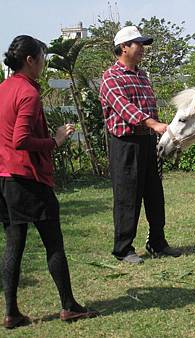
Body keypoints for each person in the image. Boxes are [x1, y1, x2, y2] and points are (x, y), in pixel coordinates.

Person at [0, 35, 98, 329]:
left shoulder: (4, 88)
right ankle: (69, 306)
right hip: (28, 179)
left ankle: (11, 313)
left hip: (4, 178)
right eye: (42, 56)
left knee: (13, 246)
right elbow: (21, 139)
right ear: (30, 60)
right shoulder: (28, 93)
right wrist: (55, 140)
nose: (44, 62)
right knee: (53, 243)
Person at [99, 26, 180, 264]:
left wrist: (154, 128)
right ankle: (123, 248)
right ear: (124, 47)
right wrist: (153, 123)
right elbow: (125, 108)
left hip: (147, 141)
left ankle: (157, 242)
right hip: (125, 144)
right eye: (138, 44)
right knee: (127, 197)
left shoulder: (142, 75)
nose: (142, 48)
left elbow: (148, 105)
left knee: (155, 194)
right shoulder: (110, 78)